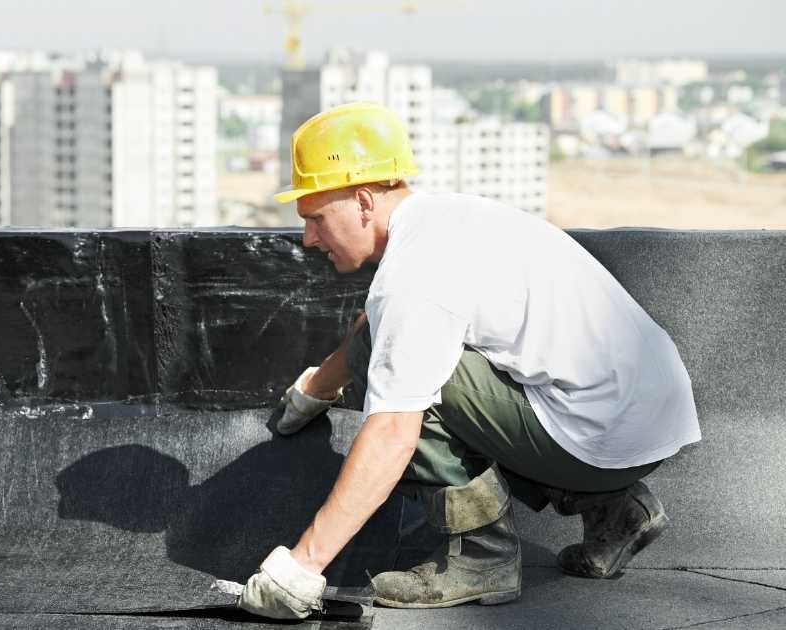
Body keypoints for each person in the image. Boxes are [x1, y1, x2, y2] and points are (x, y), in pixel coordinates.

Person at [236, 102, 701, 619]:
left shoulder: (413, 274)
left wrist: (301, 568)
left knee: (406, 379)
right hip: (644, 420)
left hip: (600, 439)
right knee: (395, 346)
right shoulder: (447, 216)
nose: (308, 239)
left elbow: (392, 433)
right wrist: (316, 390)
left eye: (316, 218)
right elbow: (378, 324)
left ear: (363, 201)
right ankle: (615, 509)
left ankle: (482, 557)